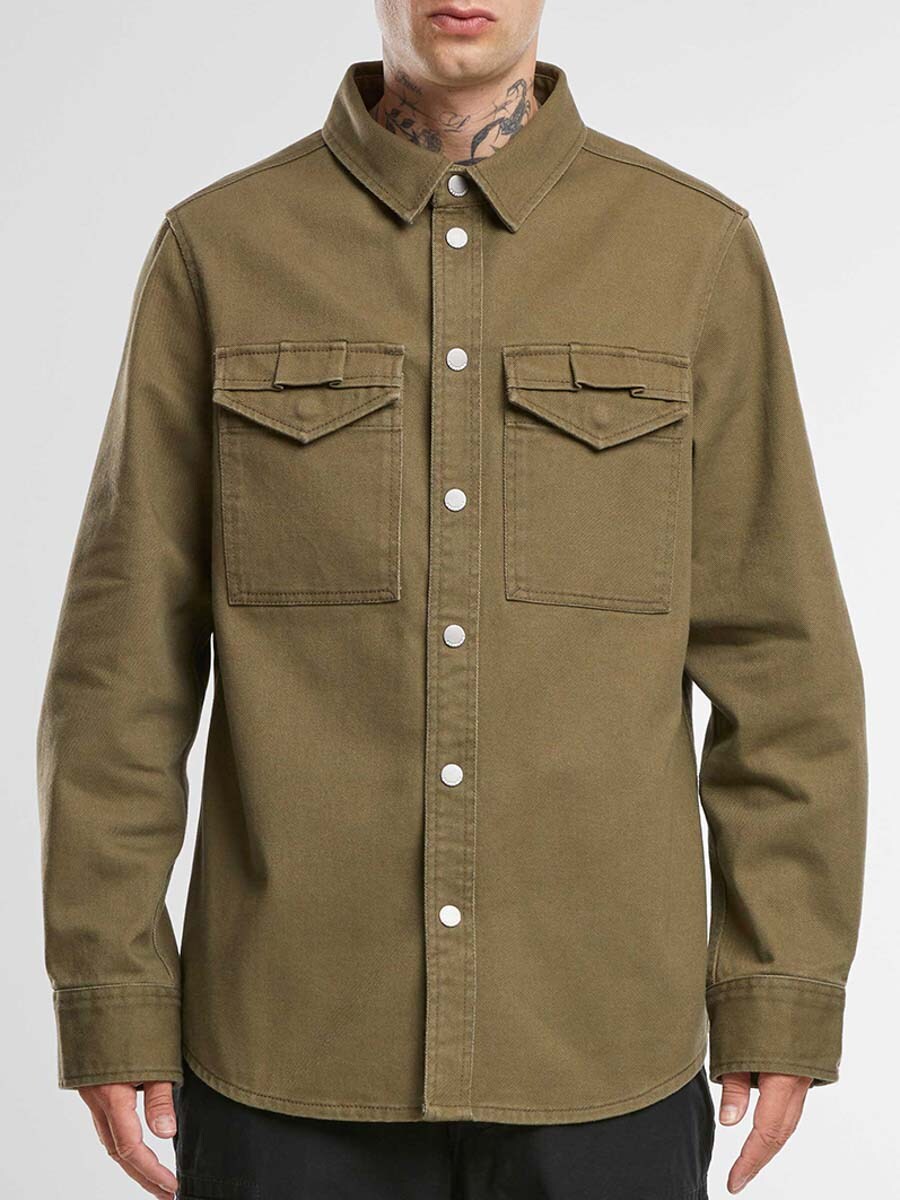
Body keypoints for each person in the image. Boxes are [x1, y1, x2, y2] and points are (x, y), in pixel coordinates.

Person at [36, 1, 868, 1197]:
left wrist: (780, 990)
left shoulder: (692, 253)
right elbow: (120, 675)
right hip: (288, 1052)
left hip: (605, 1056)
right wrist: (109, 993)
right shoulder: (218, 252)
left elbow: (784, 666)